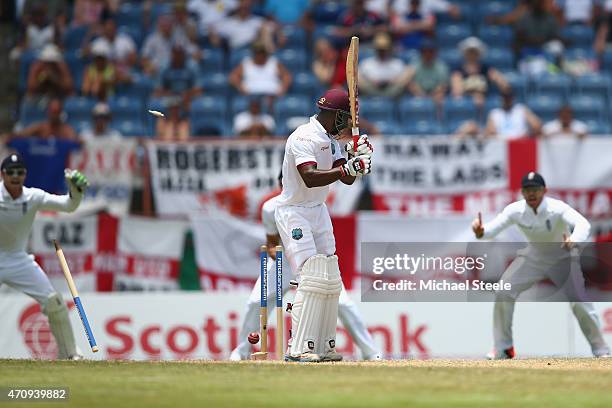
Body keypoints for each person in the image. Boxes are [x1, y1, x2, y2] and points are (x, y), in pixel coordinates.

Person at [230, 174, 381, 361]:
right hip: (283, 262)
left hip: (313, 263)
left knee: (343, 303)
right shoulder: (270, 208)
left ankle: (370, 352)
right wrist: (273, 252)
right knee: (256, 302)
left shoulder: (316, 205)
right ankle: (241, 351)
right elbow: (271, 241)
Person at [275, 88, 373, 362]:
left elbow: (347, 179)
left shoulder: (331, 140)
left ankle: (325, 344)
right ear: (334, 114)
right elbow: (309, 177)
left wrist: (357, 161)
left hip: (318, 210)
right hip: (293, 211)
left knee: (330, 276)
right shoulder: (303, 137)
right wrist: (346, 169)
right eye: (346, 117)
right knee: (310, 276)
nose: (348, 123)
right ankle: (299, 347)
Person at [471, 171, 611, 359]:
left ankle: (601, 350)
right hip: (534, 257)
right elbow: (492, 229)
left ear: (544, 190)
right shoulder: (515, 210)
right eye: (527, 190)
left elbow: (582, 224)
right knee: (504, 291)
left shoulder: (557, 208)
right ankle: (503, 348)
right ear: (522, 192)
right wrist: (480, 231)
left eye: (535, 189)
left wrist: (574, 239)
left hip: (563, 258)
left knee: (580, 303)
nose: (532, 194)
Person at [0, 153, 90, 359]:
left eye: (20, 172)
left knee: (54, 302)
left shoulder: (33, 197)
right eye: (10, 172)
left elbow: (68, 206)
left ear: (25, 174)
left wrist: (76, 192)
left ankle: (69, 354)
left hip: (17, 259)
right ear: (2, 174)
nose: (15, 176)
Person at [228, 41, 292, 106]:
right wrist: (240, 87)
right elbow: (233, 76)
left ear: (265, 53)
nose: (260, 55)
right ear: (254, 53)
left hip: (271, 97)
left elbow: (287, 76)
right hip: (251, 98)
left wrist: (282, 89)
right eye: (257, 53)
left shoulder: (273, 62)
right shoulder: (246, 63)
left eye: (261, 52)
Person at [451, 37, 509, 108]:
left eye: (474, 52)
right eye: (470, 52)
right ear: (465, 54)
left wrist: (500, 81)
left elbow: (504, 85)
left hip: (486, 105)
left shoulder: (486, 69)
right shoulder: (458, 72)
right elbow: (457, 92)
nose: (472, 55)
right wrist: (473, 96)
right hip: (466, 107)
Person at [359, 32, 411, 98]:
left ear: (389, 48)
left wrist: (392, 81)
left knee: (408, 72)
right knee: (357, 76)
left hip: (392, 91)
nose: (382, 51)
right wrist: (371, 81)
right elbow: (360, 78)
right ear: (375, 48)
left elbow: (403, 79)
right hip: (371, 90)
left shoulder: (397, 63)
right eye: (380, 49)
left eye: (384, 49)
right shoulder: (366, 63)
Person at [11, 98, 78, 140]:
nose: (54, 115)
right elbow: (22, 134)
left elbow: (75, 140)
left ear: (61, 112)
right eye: (53, 112)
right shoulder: (40, 128)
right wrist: (10, 137)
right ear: (48, 111)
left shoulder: (66, 130)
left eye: (57, 112)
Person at [407, 39, 449, 105]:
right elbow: (411, 84)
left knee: (440, 98)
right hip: (418, 94)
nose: (428, 54)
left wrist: (433, 94)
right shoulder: (414, 65)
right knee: (416, 103)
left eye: (430, 51)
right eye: (425, 51)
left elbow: (443, 85)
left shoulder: (441, 66)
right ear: (421, 52)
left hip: (436, 94)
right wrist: (421, 94)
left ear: (435, 52)